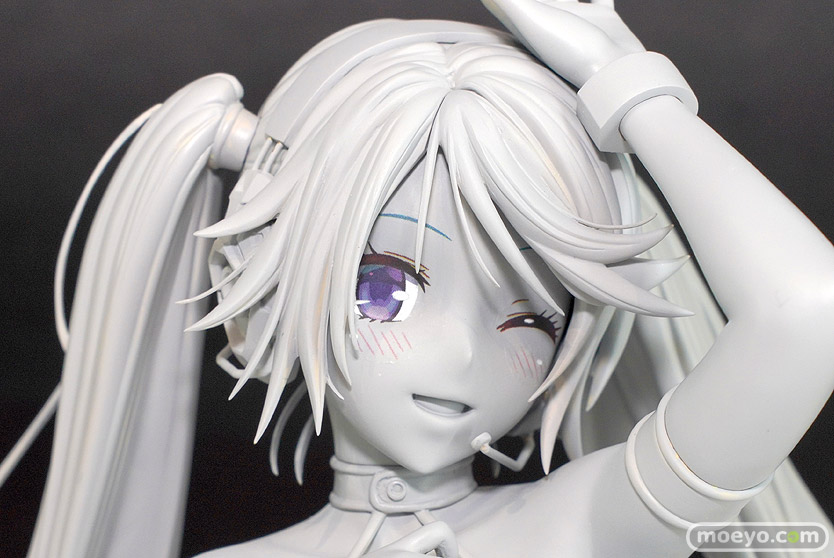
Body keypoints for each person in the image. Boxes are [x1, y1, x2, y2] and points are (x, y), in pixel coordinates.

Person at [3, 1, 833, 557]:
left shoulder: (582, 524)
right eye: (385, 289)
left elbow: (808, 314)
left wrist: (628, 81)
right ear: (252, 271)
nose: (462, 352)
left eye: (532, 321)